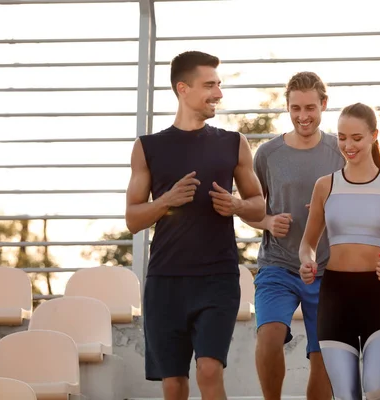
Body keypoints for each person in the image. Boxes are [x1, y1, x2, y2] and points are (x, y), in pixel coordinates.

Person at [125, 50, 265, 400]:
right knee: (173, 385)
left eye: (219, 85)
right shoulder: (147, 148)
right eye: (210, 85)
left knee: (208, 369)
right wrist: (166, 202)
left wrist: (236, 205)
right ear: (182, 88)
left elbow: (259, 204)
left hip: (217, 278)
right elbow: (132, 218)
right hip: (165, 282)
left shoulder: (234, 143)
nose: (218, 93)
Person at [241, 71, 344, 400]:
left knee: (322, 356)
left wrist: (330, 210)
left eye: (310, 108)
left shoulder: (340, 152)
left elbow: (363, 203)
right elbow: (250, 209)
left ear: (323, 105)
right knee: (269, 337)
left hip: (327, 270)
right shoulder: (268, 155)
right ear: (287, 108)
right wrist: (268, 222)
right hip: (278, 266)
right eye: (295, 108)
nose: (303, 116)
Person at [299, 103, 380, 400]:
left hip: (378, 296)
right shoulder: (325, 185)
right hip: (336, 296)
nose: (348, 145)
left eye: (357, 138)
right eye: (342, 137)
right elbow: (308, 243)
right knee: (347, 396)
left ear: (374, 135)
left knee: (376, 390)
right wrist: (307, 262)